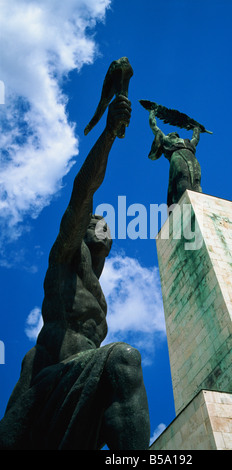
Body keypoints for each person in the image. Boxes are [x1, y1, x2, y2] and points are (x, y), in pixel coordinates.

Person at [0, 95, 150, 450]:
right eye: (97, 221)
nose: (104, 226)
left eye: (107, 226)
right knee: (123, 359)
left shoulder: (96, 289)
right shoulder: (65, 257)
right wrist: (111, 133)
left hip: (80, 390)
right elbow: (83, 191)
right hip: (47, 386)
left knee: (117, 366)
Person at [148, 109, 202, 207]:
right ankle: (184, 203)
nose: (174, 132)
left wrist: (197, 128)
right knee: (183, 176)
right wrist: (152, 112)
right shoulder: (166, 139)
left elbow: (196, 138)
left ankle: (199, 202)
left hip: (191, 156)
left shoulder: (187, 142)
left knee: (196, 180)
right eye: (171, 133)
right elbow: (154, 126)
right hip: (177, 156)